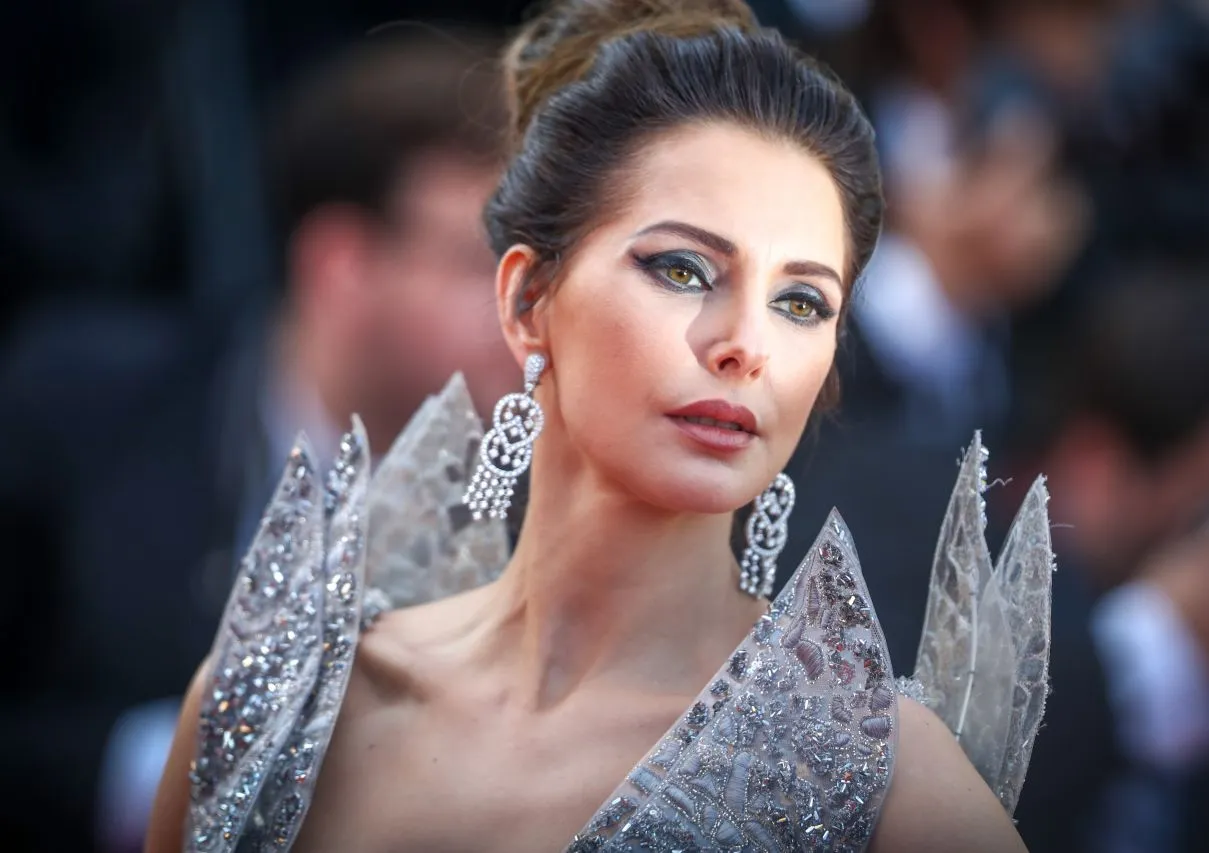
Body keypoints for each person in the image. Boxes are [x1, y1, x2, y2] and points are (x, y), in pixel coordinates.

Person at [145, 2, 1047, 850]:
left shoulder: (889, 788)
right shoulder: (281, 699)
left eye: (802, 301)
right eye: (685, 270)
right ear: (528, 299)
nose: (746, 346)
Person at [0, 25, 511, 853]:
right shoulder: (74, 406)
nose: (521, 314)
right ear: (340, 264)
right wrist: (154, 767)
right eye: (473, 263)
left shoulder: (556, 482)